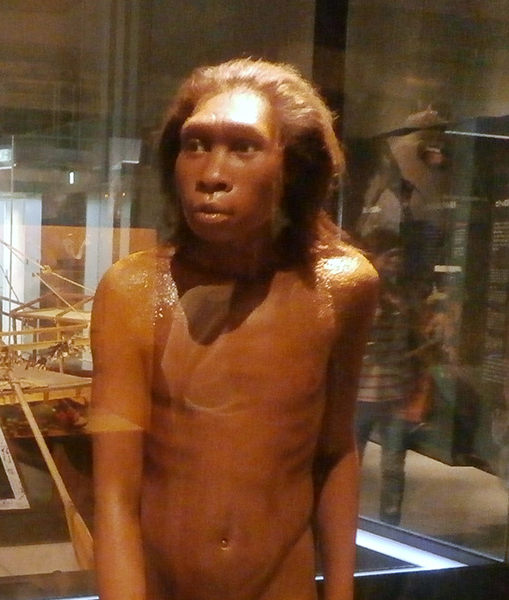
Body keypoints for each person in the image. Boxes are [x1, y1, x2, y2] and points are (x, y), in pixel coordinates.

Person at [90, 58, 378, 600]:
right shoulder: (133, 291)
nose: (212, 174)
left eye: (244, 147)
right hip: (165, 585)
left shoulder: (343, 286)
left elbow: (335, 450)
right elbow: (115, 494)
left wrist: (341, 593)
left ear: (291, 165)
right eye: (195, 144)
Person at [353, 229, 424, 526]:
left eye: (400, 257)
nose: (396, 263)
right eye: (391, 256)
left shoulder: (403, 295)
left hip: (394, 391)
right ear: (376, 258)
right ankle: (340, 519)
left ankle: (390, 519)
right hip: (360, 393)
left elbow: (412, 340)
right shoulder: (360, 291)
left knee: (394, 463)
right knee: (349, 463)